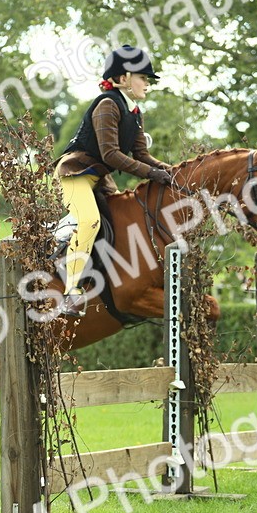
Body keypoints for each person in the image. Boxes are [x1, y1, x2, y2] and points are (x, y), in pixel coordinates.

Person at [52, 45, 172, 317]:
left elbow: (143, 155)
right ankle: (71, 292)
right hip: (76, 172)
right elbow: (111, 154)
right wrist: (153, 174)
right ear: (125, 77)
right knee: (90, 221)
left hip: (100, 176)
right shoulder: (107, 104)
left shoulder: (134, 112)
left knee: (121, 218)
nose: (147, 84)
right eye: (143, 77)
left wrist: (175, 172)